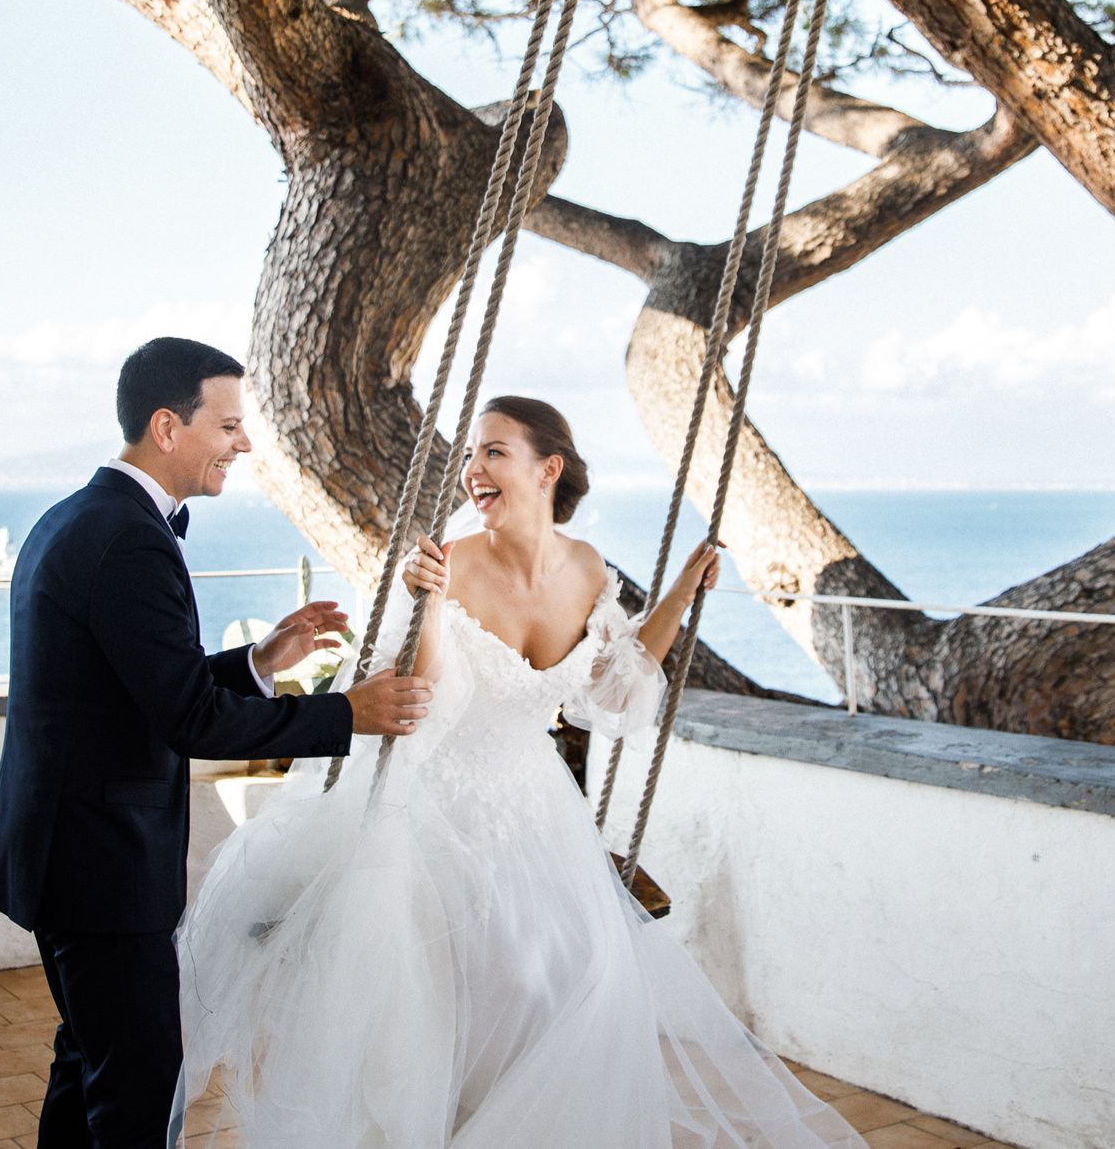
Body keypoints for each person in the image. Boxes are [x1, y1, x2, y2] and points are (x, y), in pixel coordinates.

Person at [175, 394, 865, 1148]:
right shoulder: (453, 561)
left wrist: (679, 595)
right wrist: (428, 604)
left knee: (572, 983)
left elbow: (611, 683)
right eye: (471, 454)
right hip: (438, 805)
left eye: (493, 451)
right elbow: (420, 705)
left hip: (535, 805)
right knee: (445, 1005)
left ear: (549, 468)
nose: (473, 469)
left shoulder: (588, 568)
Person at [0, 337, 434, 1149]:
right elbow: (189, 720)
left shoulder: (76, 517)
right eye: (228, 423)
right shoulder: (130, 538)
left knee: (90, 1062)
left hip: (65, 851)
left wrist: (260, 661)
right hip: (102, 864)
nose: (244, 442)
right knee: (140, 1088)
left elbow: (141, 680)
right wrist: (348, 715)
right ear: (166, 426)